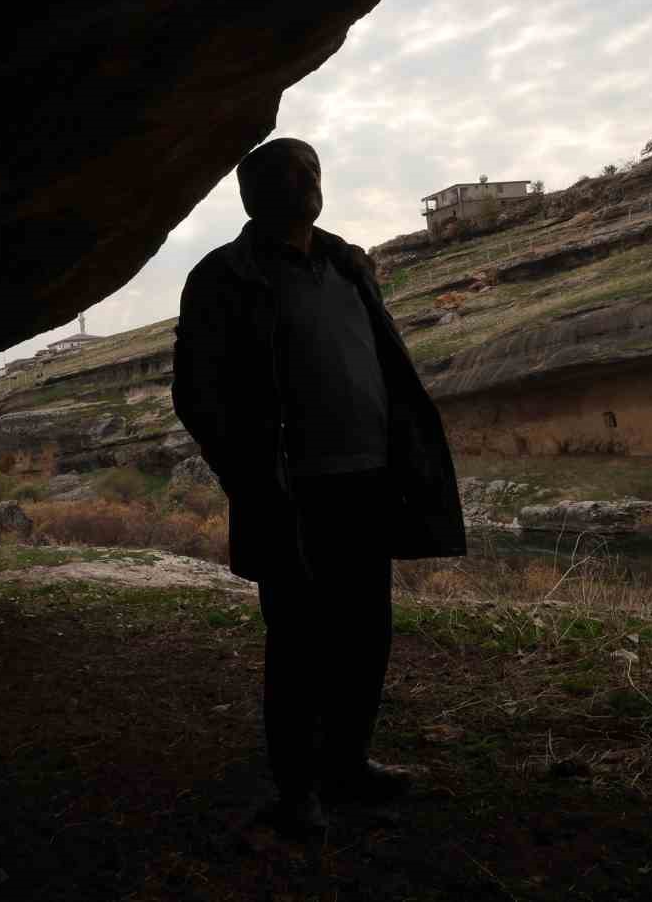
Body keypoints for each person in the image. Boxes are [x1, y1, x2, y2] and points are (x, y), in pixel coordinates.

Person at [171, 137, 465, 836]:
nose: (305, 182)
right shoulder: (222, 277)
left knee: (367, 634)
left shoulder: (347, 266)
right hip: (290, 492)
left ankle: (348, 766)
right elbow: (196, 392)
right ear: (252, 194)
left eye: (311, 170)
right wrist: (247, 474)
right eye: (287, 173)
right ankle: (296, 791)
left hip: (369, 483)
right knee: (299, 642)